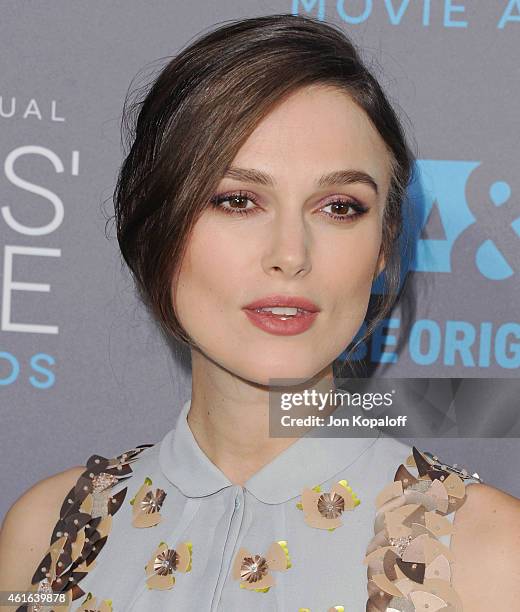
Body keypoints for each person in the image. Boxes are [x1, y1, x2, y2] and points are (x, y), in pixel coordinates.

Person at [1, 13, 519, 612]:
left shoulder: (490, 554)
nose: (291, 255)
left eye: (340, 207)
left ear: (382, 248)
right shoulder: (45, 536)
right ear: (159, 230)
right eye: (238, 200)